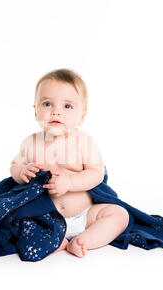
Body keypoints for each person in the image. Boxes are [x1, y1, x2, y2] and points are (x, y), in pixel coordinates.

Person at [10, 68, 129, 258]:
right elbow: (15, 166)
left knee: (119, 214)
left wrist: (71, 182)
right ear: (35, 111)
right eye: (47, 104)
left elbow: (96, 174)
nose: (56, 111)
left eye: (67, 106)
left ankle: (84, 240)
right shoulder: (30, 143)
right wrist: (21, 171)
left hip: (85, 215)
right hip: (45, 219)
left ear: (81, 116)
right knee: (15, 219)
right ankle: (56, 240)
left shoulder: (84, 142)